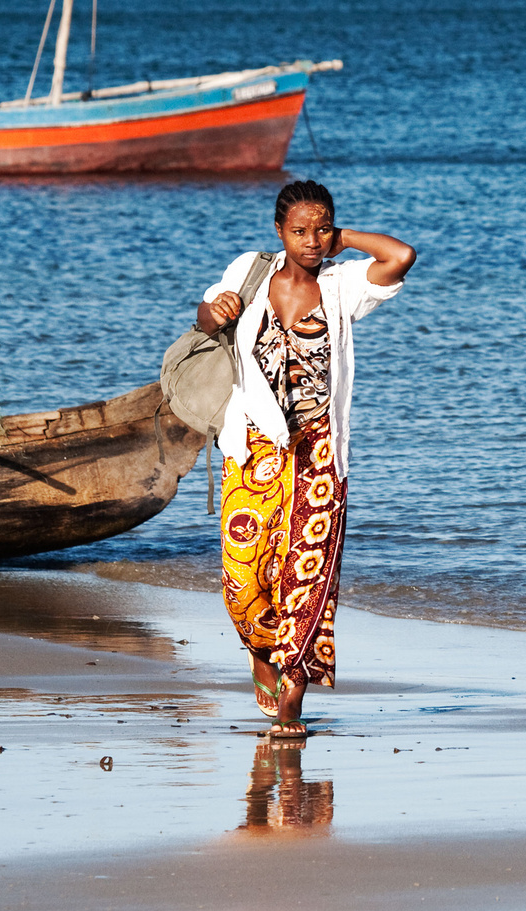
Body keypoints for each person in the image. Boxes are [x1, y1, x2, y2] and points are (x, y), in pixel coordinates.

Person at [198, 179, 416, 737]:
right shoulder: (249, 271)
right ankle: (262, 652)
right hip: (252, 450)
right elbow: (204, 321)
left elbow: (401, 256)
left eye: (321, 230)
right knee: (242, 584)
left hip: (319, 455)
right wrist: (215, 309)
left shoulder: (343, 286)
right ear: (279, 232)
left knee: (306, 585)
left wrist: (343, 238)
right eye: (300, 231)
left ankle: (291, 705)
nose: (311, 241)